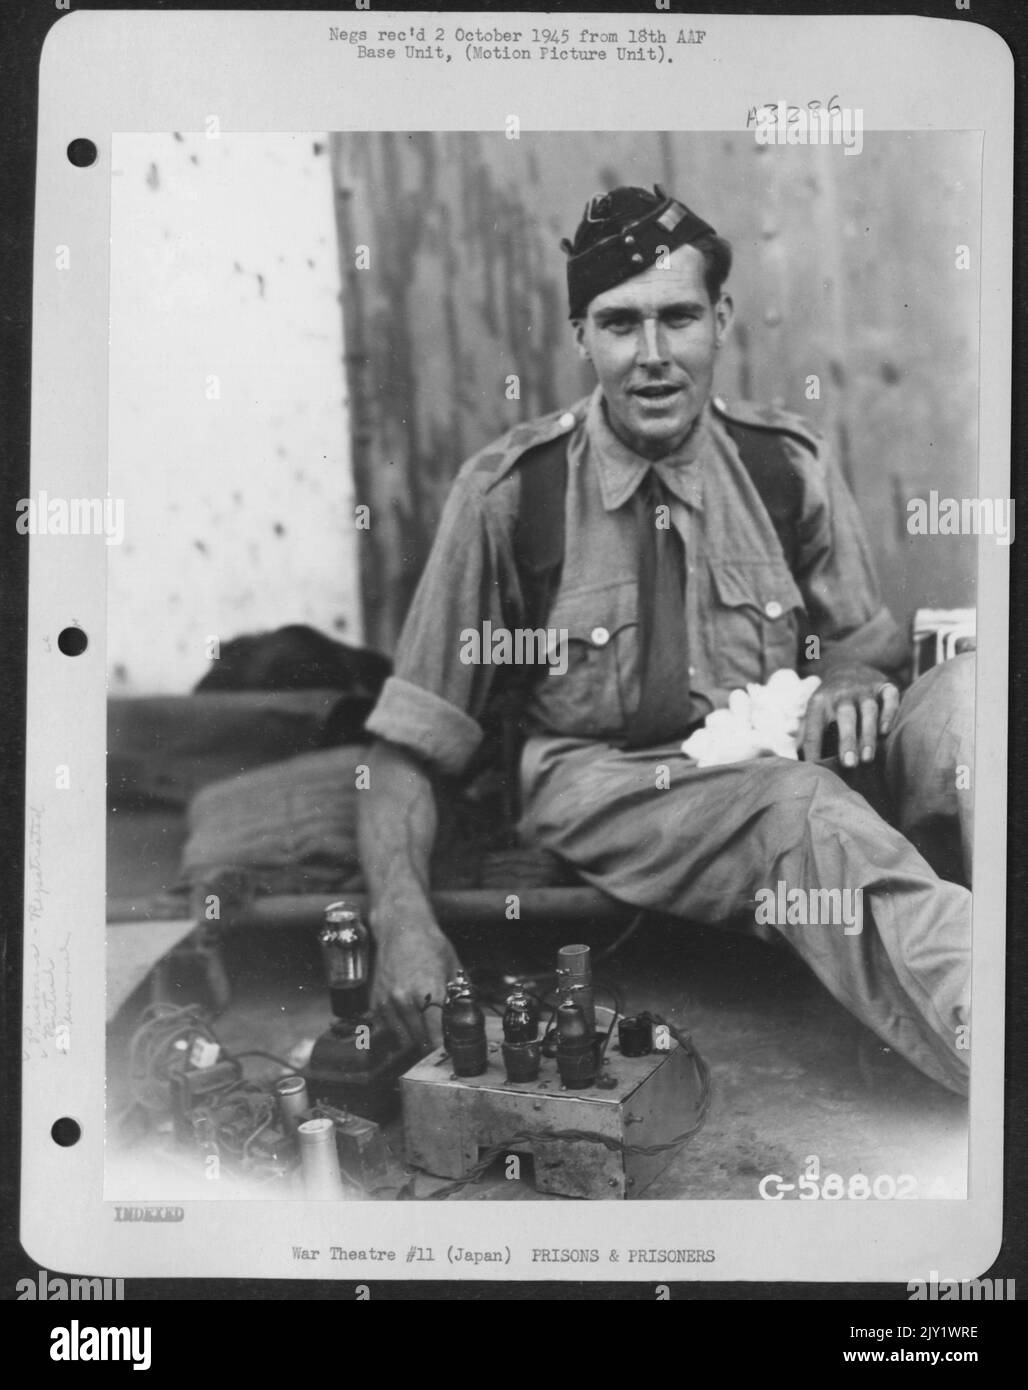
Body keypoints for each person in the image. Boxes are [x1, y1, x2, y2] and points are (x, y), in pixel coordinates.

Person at [358, 184, 971, 1096]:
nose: (651, 357)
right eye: (618, 324)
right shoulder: (508, 494)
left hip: (782, 751)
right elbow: (404, 750)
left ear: (720, 320)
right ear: (581, 336)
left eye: (678, 318)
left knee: (972, 698)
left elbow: (859, 648)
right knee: (796, 807)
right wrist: (401, 920)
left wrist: (842, 675)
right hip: (611, 785)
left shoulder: (784, 464)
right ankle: (989, 1030)